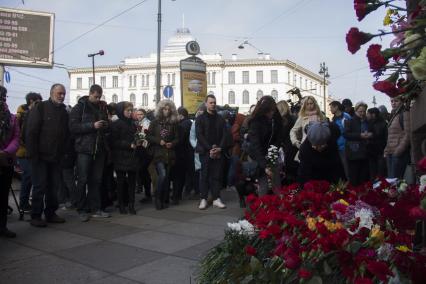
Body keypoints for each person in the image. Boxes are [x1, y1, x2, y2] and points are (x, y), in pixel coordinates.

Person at [25, 84, 69, 227]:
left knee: (53, 186)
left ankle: (50, 213)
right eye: (59, 93)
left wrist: (64, 152)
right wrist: (33, 155)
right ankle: (36, 215)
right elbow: (31, 132)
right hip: (40, 156)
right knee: (39, 186)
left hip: (56, 156)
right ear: (51, 93)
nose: (62, 96)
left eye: (63, 94)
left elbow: (66, 134)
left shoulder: (64, 111)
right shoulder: (40, 107)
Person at [69, 84, 111, 222]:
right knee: (82, 180)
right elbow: (73, 127)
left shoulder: (101, 107)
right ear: (90, 93)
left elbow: (106, 126)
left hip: (99, 149)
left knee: (96, 180)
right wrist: (92, 126)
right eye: (96, 96)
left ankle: (95, 208)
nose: (98, 99)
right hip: (84, 149)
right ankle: (81, 209)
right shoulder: (79, 107)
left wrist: (105, 125)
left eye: (100, 97)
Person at [196, 94, 232, 209]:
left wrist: (220, 148)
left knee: (217, 175)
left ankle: (216, 198)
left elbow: (225, 135)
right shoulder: (200, 118)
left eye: (214, 102)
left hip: (218, 151)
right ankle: (203, 199)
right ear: (206, 103)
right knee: (204, 175)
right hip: (205, 151)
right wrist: (209, 148)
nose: (213, 105)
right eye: (211, 102)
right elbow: (199, 135)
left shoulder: (220, 119)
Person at [147, 100, 179, 210]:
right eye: (165, 109)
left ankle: (163, 198)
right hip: (158, 153)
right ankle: (157, 197)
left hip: (169, 153)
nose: (167, 111)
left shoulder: (174, 123)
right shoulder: (154, 122)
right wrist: (158, 141)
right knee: (163, 174)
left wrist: (172, 143)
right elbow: (149, 136)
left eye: (169, 109)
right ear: (161, 110)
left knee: (167, 177)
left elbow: (177, 138)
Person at [247, 96, 283, 195]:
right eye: (269, 111)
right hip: (257, 155)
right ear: (263, 111)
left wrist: (273, 151)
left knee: (276, 181)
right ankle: (262, 206)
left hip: (271, 153)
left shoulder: (276, 118)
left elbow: (279, 136)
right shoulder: (255, 122)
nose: (271, 113)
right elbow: (255, 146)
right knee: (264, 184)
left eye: (272, 110)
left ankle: (279, 205)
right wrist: (265, 166)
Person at [15, 92, 42, 212]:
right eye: (38, 101)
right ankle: (24, 203)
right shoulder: (21, 115)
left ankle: (26, 202)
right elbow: (19, 134)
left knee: (31, 177)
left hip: (33, 151)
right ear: (31, 101)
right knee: (28, 176)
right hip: (22, 152)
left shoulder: (35, 114)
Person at [111, 102, 139, 214]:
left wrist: (138, 141)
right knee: (120, 182)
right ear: (121, 111)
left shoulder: (133, 124)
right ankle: (121, 204)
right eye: (128, 110)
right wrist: (128, 145)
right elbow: (114, 141)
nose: (130, 112)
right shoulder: (116, 124)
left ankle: (131, 205)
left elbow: (135, 137)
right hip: (120, 156)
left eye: (131, 110)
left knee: (132, 182)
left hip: (132, 156)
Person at [0, 86, 19, 238]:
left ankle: (2, 226)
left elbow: (16, 137)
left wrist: (6, 152)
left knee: (3, 194)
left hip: (5, 160)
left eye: (3, 96)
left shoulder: (11, 117)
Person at [344, 101, 372, 186]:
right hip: (354, 153)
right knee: (354, 177)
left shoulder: (368, 122)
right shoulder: (350, 121)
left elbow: (374, 132)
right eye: (360, 111)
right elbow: (346, 134)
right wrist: (360, 135)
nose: (362, 113)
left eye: (364, 111)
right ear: (356, 111)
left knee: (363, 177)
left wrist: (371, 134)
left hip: (365, 152)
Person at [172, 107, 194, 204]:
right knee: (183, 175)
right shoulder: (187, 123)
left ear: (181, 115)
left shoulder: (184, 124)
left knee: (180, 175)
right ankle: (181, 193)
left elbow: (181, 139)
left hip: (183, 153)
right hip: (186, 153)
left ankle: (178, 195)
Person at [384, 97, 410, 179]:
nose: (393, 103)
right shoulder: (394, 114)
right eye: (392, 101)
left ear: (402, 102)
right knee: (391, 182)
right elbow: (390, 136)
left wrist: (398, 151)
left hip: (398, 154)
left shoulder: (405, 113)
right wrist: (386, 150)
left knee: (395, 181)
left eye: (396, 101)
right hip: (390, 153)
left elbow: (408, 134)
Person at [276, 100, 298, 184]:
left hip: (288, 146)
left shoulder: (284, 120)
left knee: (289, 169)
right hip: (293, 146)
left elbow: (282, 134)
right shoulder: (293, 118)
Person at [329, 100, 351, 179]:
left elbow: (348, 131)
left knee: (347, 166)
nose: (330, 110)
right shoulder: (334, 119)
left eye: (331, 107)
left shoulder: (345, 116)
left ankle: (350, 182)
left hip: (345, 146)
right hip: (337, 146)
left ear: (336, 107)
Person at [135, 108, 152, 203]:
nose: (139, 116)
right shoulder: (138, 123)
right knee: (142, 172)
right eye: (138, 114)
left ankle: (148, 194)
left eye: (141, 114)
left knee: (144, 172)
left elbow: (144, 136)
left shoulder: (147, 123)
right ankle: (147, 193)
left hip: (145, 150)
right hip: (140, 150)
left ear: (144, 114)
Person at [367, 108, 388, 179]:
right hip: (372, 152)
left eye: (368, 113)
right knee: (373, 173)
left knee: (379, 173)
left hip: (380, 152)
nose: (366, 115)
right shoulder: (369, 123)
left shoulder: (383, 123)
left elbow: (385, 137)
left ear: (373, 114)